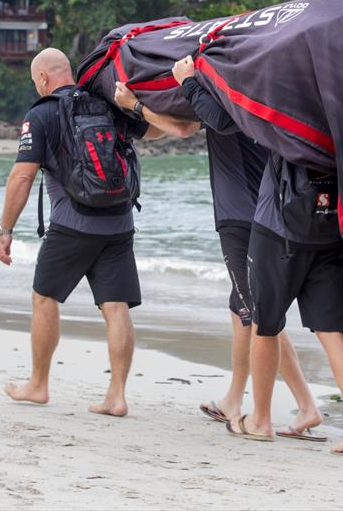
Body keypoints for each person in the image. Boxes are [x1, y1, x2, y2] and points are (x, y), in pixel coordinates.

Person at [171, 55, 343, 457]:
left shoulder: (284, 101)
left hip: (279, 227)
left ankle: (260, 420)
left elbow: (226, 120)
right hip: (326, 229)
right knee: (331, 329)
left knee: (265, 324)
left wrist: (189, 82)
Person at [114, 61, 322, 440]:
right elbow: (192, 124)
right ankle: (233, 399)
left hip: (241, 218)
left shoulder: (226, 101)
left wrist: (136, 105)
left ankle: (305, 406)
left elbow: (181, 127)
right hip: (264, 212)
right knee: (240, 308)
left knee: (259, 315)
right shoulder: (259, 98)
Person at [0, 48, 164, 417]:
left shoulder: (41, 114)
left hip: (71, 225)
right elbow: (154, 129)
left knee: (45, 298)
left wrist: (5, 229)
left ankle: (38, 385)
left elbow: (22, 176)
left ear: (42, 79)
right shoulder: (108, 104)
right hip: (119, 223)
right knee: (116, 307)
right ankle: (116, 396)